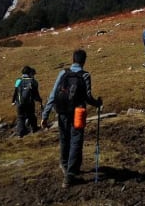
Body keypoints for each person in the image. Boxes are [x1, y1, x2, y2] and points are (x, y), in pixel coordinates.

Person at [41, 49, 103, 189]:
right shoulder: (85, 75)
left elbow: (53, 94)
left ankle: (64, 164)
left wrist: (45, 115)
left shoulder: (63, 73)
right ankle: (70, 174)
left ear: (73, 59)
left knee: (64, 138)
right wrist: (97, 103)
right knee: (76, 140)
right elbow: (87, 97)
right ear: (84, 61)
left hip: (62, 110)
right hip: (78, 112)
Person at [11, 66, 42, 137]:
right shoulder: (33, 81)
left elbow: (15, 91)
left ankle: (20, 133)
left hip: (19, 103)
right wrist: (39, 100)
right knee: (31, 115)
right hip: (29, 103)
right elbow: (36, 93)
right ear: (29, 73)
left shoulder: (18, 80)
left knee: (20, 117)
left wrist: (13, 101)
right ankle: (34, 129)